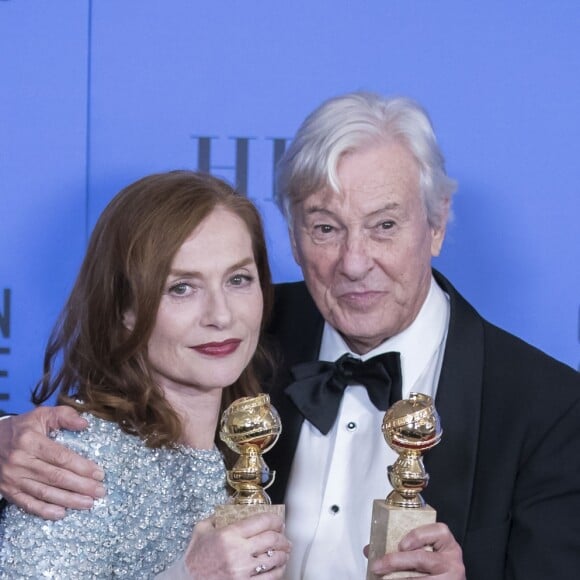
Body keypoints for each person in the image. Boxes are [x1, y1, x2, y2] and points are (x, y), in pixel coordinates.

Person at [1, 92, 580, 579]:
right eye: (325, 227)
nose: (354, 263)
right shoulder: (245, 336)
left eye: (384, 225)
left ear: (437, 223)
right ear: (293, 236)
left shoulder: (547, 408)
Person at [0, 170, 290, 578]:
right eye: (181, 288)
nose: (221, 316)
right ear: (123, 310)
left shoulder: (238, 455)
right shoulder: (79, 462)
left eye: (238, 279)